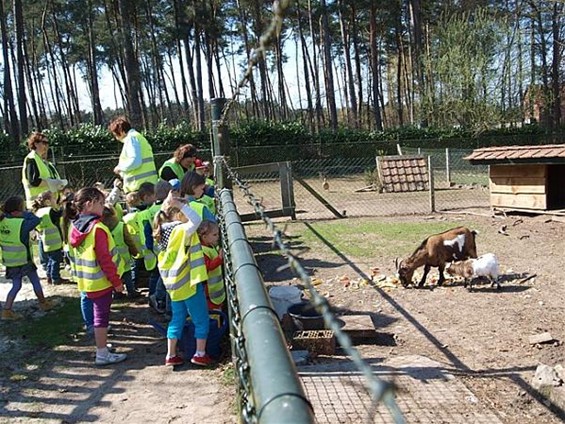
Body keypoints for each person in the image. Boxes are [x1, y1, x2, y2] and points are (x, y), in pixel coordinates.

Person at [68, 187, 127, 365]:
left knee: (96, 316)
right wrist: (116, 282)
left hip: (86, 280)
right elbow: (105, 259)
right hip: (101, 281)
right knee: (101, 318)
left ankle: (101, 346)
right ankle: (102, 353)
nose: (103, 206)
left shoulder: (75, 226)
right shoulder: (97, 229)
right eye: (101, 203)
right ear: (89, 204)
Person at [154, 192, 212, 366]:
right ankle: (200, 353)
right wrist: (181, 205)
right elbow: (197, 220)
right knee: (201, 318)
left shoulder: (162, 232)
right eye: (186, 210)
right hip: (190, 283)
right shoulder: (181, 230)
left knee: (177, 318)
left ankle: (171, 355)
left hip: (174, 286)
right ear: (178, 213)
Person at [0, 196, 54, 320]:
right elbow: (35, 220)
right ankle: (43, 303)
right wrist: (25, 213)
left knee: (16, 285)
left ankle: (7, 310)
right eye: (22, 208)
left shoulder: (2, 222)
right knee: (35, 281)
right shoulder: (22, 223)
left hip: (10, 261)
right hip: (24, 259)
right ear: (16, 212)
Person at [109, 116, 157, 194]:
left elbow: (135, 162)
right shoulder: (138, 137)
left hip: (138, 188)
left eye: (116, 135)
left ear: (121, 131)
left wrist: (120, 168)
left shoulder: (131, 139)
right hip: (148, 185)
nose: (117, 138)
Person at [21, 132, 67, 209]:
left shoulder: (43, 162)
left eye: (47, 143)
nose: (46, 145)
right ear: (35, 144)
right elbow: (34, 181)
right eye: (44, 142)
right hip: (37, 205)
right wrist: (52, 183)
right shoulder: (31, 158)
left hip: (50, 205)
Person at [31, 191, 68, 285]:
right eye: (53, 198)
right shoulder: (49, 211)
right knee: (55, 260)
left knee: (50, 260)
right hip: (54, 240)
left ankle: (49, 276)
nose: (55, 200)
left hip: (45, 240)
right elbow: (59, 214)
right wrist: (64, 205)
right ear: (47, 202)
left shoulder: (38, 212)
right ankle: (55, 278)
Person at [197, 220, 225, 311]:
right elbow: (208, 266)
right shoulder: (202, 251)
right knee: (213, 311)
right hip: (209, 291)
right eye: (214, 235)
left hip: (216, 289)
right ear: (204, 237)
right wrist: (220, 258)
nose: (217, 237)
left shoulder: (211, 246)